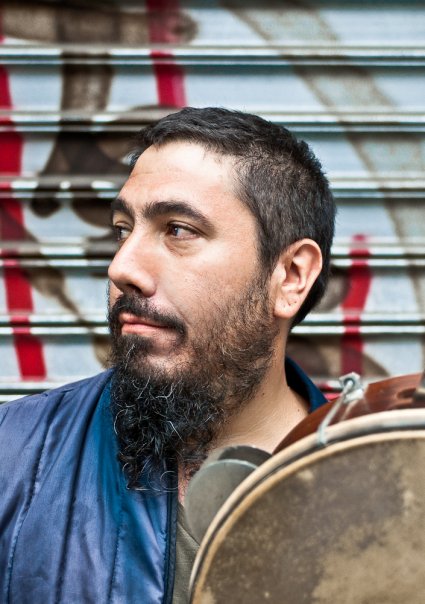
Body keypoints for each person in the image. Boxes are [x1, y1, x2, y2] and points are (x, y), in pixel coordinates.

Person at [0, 107, 335, 603]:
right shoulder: (12, 460)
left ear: (290, 276)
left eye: (178, 230)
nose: (122, 267)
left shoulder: (386, 488)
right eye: (122, 229)